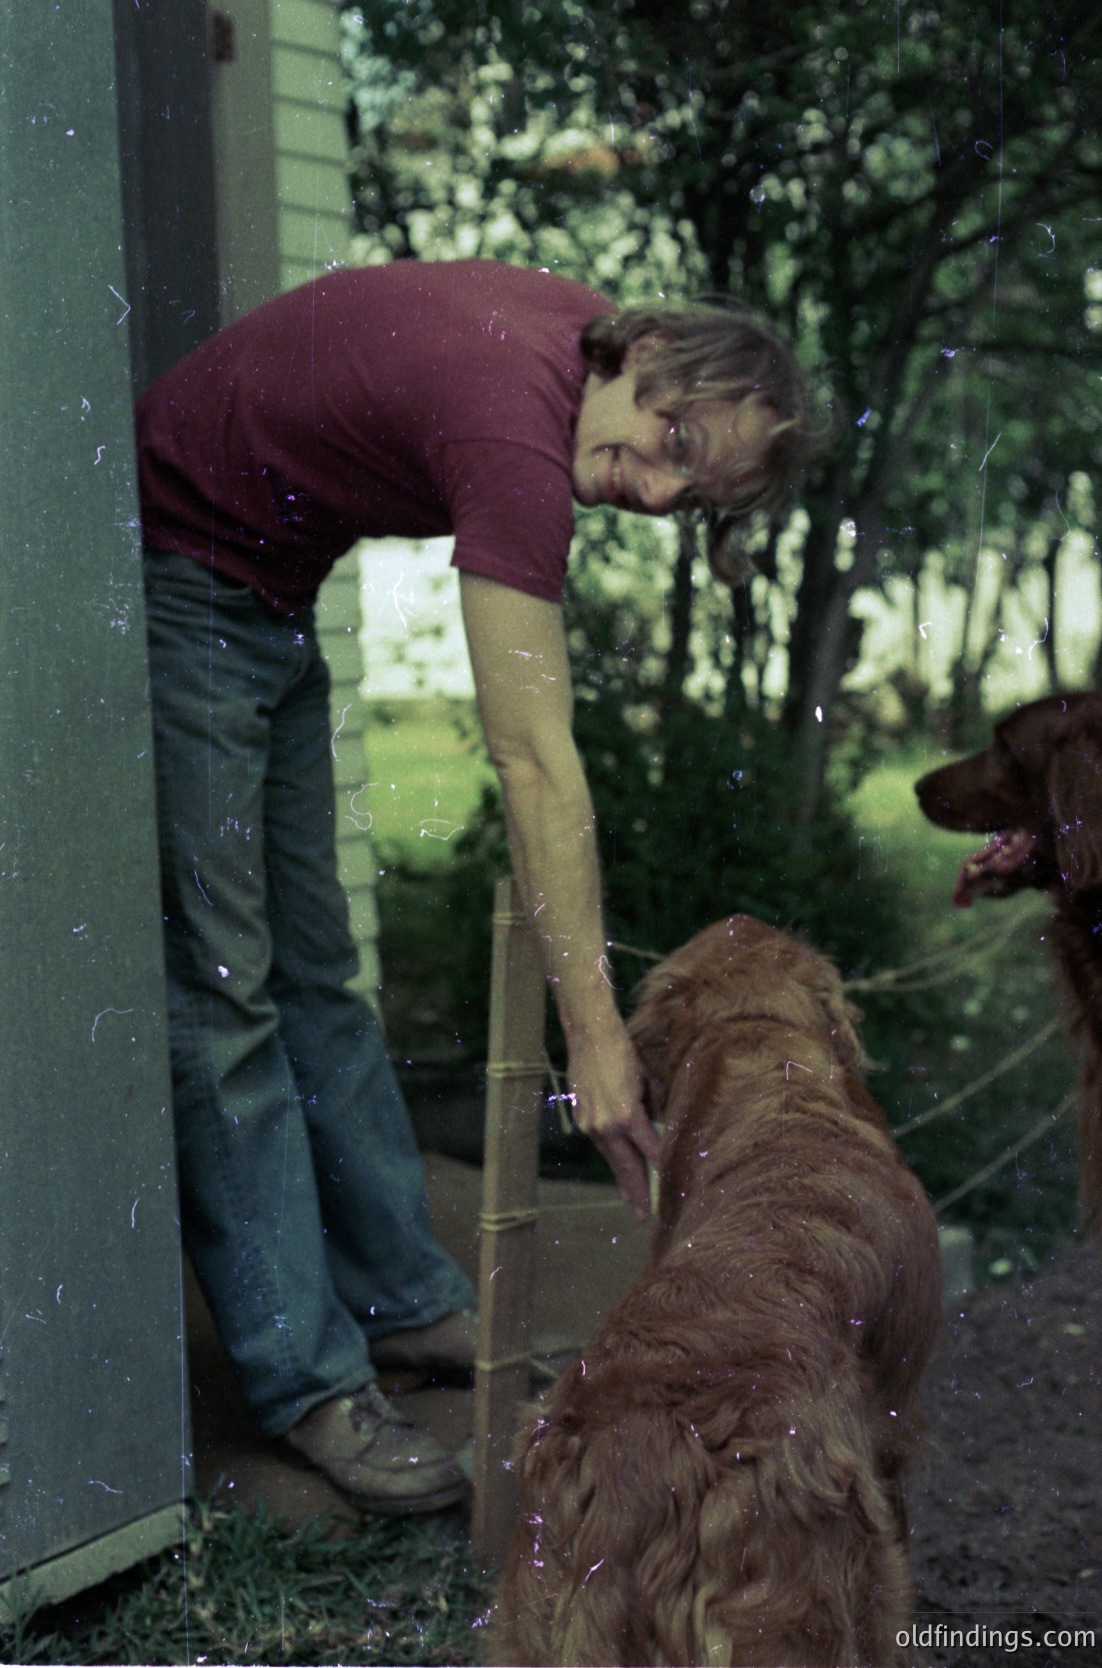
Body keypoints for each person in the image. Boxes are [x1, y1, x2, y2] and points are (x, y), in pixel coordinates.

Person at [135, 258, 816, 1514]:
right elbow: (534, 764)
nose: (650, 487)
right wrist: (595, 1043)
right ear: (649, 351)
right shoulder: (515, 418)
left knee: (314, 977)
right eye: (670, 439)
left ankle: (403, 1308)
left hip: (264, 587)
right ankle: (304, 1380)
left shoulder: (576, 358)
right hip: (185, 573)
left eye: (685, 491)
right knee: (227, 997)